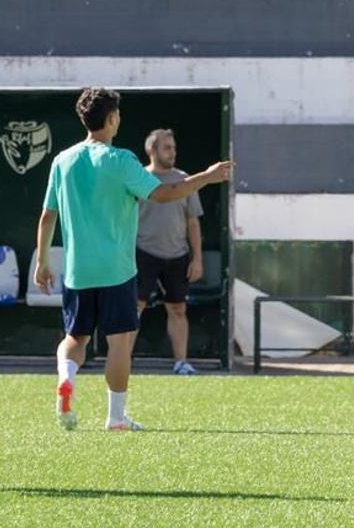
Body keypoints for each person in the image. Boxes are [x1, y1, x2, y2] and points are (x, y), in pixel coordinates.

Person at [34, 88, 232, 431]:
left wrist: (42, 262)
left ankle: (66, 378)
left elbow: (47, 216)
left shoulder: (62, 160)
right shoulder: (121, 160)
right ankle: (115, 417)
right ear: (112, 120)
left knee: (75, 339)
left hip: (78, 270)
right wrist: (208, 176)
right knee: (120, 340)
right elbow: (166, 194)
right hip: (117, 269)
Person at [135, 128, 206, 375]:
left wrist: (197, 258)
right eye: (167, 148)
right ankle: (123, 361)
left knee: (178, 308)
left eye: (174, 148)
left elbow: (193, 222)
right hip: (143, 253)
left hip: (177, 256)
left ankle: (181, 363)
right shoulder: (138, 179)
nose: (172, 152)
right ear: (151, 151)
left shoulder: (185, 180)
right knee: (135, 307)